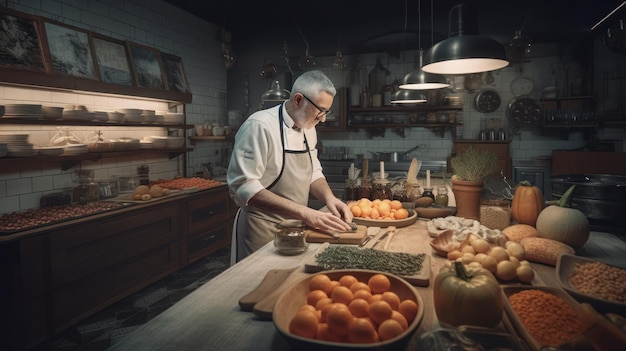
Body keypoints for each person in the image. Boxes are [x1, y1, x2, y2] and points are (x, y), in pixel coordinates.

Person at [227, 70, 353, 262]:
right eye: (320, 110)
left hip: (295, 228)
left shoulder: (308, 127)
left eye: (327, 111)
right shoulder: (259, 126)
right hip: (262, 229)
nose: (323, 118)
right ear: (298, 99)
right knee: (258, 288)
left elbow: (313, 172)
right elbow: (243, 187)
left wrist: (330, 198)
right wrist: (305, 213)